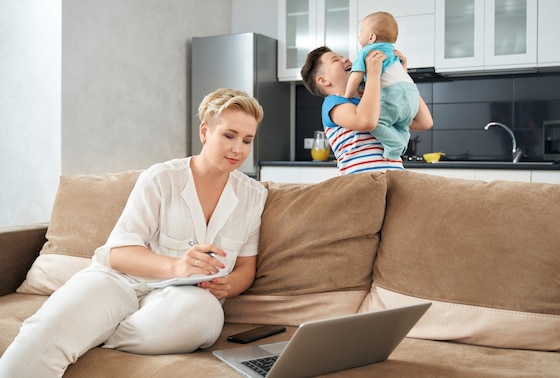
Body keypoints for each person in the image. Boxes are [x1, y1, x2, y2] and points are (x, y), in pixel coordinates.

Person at [0, 88, 268, 377]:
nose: (238, 149)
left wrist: (227, 285)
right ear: (205, 131)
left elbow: (245, 267)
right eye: (229, 136)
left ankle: (97, 336)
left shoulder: (253, 195)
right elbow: (120, 254)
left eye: (247, 140)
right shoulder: (161, 178)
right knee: (43, 335)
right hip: (120, 282)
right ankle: (78, 329)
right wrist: (176, 266)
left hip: (185, 298)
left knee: (205, 316)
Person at [301, 46, 433, 175]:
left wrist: (401, 78)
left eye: (343, 57)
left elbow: (424, 122)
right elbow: (366, 122)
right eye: (335, 60)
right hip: (361, 183)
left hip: (393, 180)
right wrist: (373, 75)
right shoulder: (333, 103)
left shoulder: (376, 99)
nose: (346, 59)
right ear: (323, 80)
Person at [343, 11, 420, 161]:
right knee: (401, 124)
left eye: (361, 32)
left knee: (374, 121)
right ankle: (402, 142)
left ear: (371, 37)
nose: (359, 36)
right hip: (412, 94)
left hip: (394, 94)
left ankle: (396, 146)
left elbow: (355, 77)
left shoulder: (367, 51)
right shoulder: (392, 50)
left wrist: (346, 96)